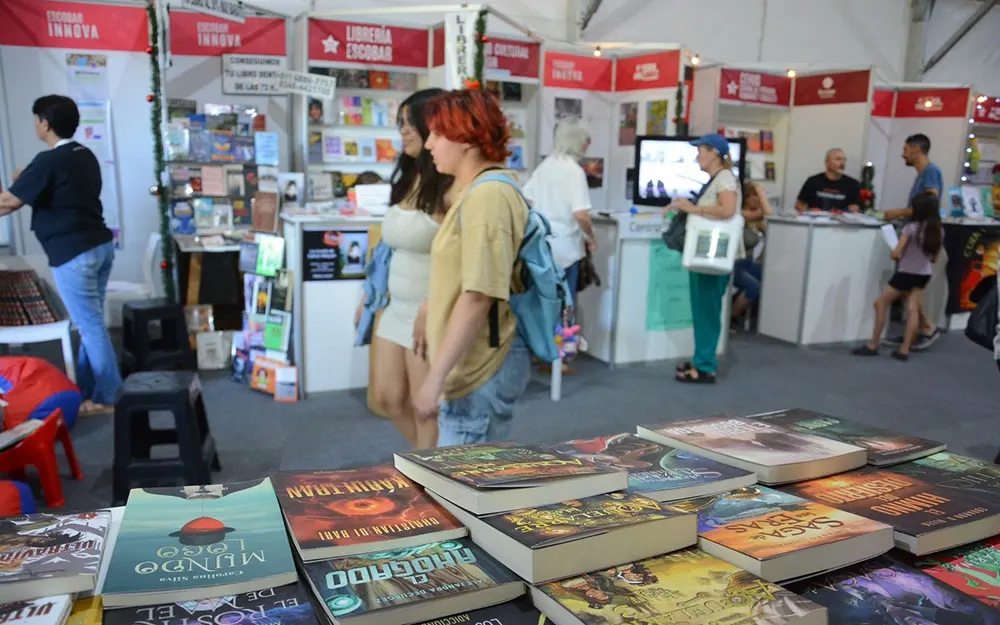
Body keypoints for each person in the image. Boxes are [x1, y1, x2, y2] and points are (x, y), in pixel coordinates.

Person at [413, 89, 531, 445]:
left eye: (438, 133)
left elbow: (479, 294)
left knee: (463, 488)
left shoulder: (488, 196)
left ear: (466, 138)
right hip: (470, 362)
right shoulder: (474, 192)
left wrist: (434, 378)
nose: (429, 143)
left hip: (479, 366)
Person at [0, 95, 120, 415]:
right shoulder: (84, 155)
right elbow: (58, 188)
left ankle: (109, 396)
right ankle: (85, 391)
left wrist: (21, 184)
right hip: (100, 247)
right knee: (89, 322)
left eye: (37, 119)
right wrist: (25, 178)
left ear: (45, 124)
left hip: (74, 254)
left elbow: (8, 203)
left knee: (90, 325)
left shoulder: (49, 161)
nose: (35, 125)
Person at [354, 88, 452, 450]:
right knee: (387, 397)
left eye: (412, 124)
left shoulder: (449, 184)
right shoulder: (407, 176)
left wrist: (432, 305)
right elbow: (388, 249)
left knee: (424, 407)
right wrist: (370, 297)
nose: (404, 132)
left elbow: (456, 257)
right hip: (395, 308)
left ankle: (430, 473)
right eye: (401, 124)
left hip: (428, 311)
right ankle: (427, 463)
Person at [669, 134, 742, 384]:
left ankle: (705, 366)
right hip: (706, 256)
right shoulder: (717, 179)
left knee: (707, 311)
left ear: (714, 153)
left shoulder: (725, 179)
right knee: (702, 310)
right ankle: (702, 359)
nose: (697, 156)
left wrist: (694, 209)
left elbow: (727, 210)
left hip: (713, 257)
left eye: (700, 151)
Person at [852, 191, 943, 361]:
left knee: (880, 303)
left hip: (905, 273)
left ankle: (873, 344)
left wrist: (898, 253)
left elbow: (896, 253)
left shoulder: (910, 229)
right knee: (912, 309)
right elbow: (935, 258)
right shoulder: (937, 231)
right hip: (924, 274)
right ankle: (904, 350)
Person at [522, 117, 596, 308]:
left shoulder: (545, 165)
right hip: (566, 250)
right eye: (587, 139)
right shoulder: (574, 171)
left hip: (541, 248)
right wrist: (590, 236)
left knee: (544, 306)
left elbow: (526, 199)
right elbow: (581, 215)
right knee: (565, 307)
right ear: (577, 141)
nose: (589, 144)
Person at [882, 133, 945, 351]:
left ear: (917, 150)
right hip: (917, 236)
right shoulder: (923, 174)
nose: (903, 154)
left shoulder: (931, 173)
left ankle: (925, 327)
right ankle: (923, 327)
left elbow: (930, 204)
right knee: (912, 289)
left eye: (906, 149)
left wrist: (898, 212)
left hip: (920, 239)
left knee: (911, 286)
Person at [732, 181, 773, 323]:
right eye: (753, 196)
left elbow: (772, 234)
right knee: (753, 287)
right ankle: (730, 319)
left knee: (772, 277)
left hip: (747, 263)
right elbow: (768, 213)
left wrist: (762, 257)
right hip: (734, 264)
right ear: (746, 198)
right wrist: (761, 194)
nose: (757, 199)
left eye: (758, 196)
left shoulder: (757, 221)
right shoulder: (740, 215)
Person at [795, 148, 862, 212]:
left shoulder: (853, 184)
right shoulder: (812, 181)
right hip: (816, 221)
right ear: (827, 162)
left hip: (841, 222)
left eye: (844, 160)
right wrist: (809, 211)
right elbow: (799, 205)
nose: (842, 163)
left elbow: (856, 207)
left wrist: (851, 210)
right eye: (838, 159)